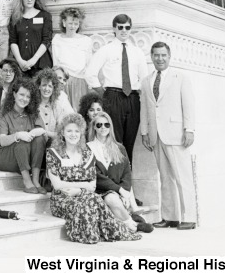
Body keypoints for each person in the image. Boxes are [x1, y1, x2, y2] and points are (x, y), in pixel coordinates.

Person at [46, 114, 141, 244]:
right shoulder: (53, 153)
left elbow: (92, 186)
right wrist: (83, 184)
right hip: (62, 198)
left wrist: (79, 190)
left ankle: (111, 230)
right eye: (69, 131)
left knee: (95, 199)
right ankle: (94, 234)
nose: (73, 134)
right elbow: (57, 185)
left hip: (83, 195)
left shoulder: (87, 154)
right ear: (62, 132)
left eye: (76, 131)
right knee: (88, 204)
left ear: (81, 134)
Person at [140, 42, 197, 230]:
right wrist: (145, 132)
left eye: (163, 55)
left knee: (183, 177)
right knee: (165, 178)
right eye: (156, 55)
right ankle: (170, 217)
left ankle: (189, 217)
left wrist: (189, 129)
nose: (160, 58)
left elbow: (188, 105)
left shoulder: (180, 77)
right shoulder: (146, 81)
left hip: (176, 134)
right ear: (152, 57)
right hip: (156, 136)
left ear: (169, 56)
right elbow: (145, 109)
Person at [88, 14, 149, 163]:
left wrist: (139, 93)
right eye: (120, 27)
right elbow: (90, 73)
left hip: (133, 99)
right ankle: (116, 181)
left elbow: (145, 78)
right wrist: (105, 95)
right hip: (113, 97)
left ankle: (127, 182)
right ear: (114, 28)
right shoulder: (106, 50)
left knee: (129, 142)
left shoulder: (137, 52)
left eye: (127, 27)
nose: (124, 31)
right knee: (114, 140)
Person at [89, 111, 153, 233]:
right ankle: (133, 224)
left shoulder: (119, 148)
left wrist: (125, 191)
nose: (103, 127)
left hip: (119, 190)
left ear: (110, 127)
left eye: (106, 125)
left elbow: (127, 173)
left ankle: (129, 220)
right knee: (112, 198)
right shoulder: (88, 148)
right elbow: (96, 175)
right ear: (94, 127)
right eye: (99, 125)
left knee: (115, 198)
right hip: (100, 190)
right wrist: (119, 190)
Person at [0, 79, 47, 193]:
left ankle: (36, 181)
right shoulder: (2, 114)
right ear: (14, 94)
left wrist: (32, 133)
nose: (24, 99)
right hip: (8, 158)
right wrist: (17, 135)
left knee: (39, 139)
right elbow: (2, 141)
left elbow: (42, 130)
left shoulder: (33, 113)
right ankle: (27, 181)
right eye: (22, 94)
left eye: (28, 96)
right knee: (21, 141)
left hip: (27, 156)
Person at [51, 7, 97, 108]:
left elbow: (89, 64)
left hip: (80, 81)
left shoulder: (86, 40)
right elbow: (56, 64)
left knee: (79, 110)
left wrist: (90, 84)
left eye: (76, 24)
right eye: (70, 23)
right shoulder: (57, 39)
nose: (73, 26)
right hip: (63, 81)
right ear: (64, 22)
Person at [8, 0, 53, 74]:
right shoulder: (15, 17)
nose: (29, 0)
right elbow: (13, 41)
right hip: (20, 64)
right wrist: (20, 61)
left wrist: (34, 60)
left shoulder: (45, 15)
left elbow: (47, 40)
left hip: (41, 63)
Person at [35, 68, 72, 141]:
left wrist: (46, 133)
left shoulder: (57, 106)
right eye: (44, 85)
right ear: (39, 86)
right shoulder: (33, 105)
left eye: (50, 86)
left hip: (52, 143)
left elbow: (61, 134)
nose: (46, 89)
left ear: (53, 88)